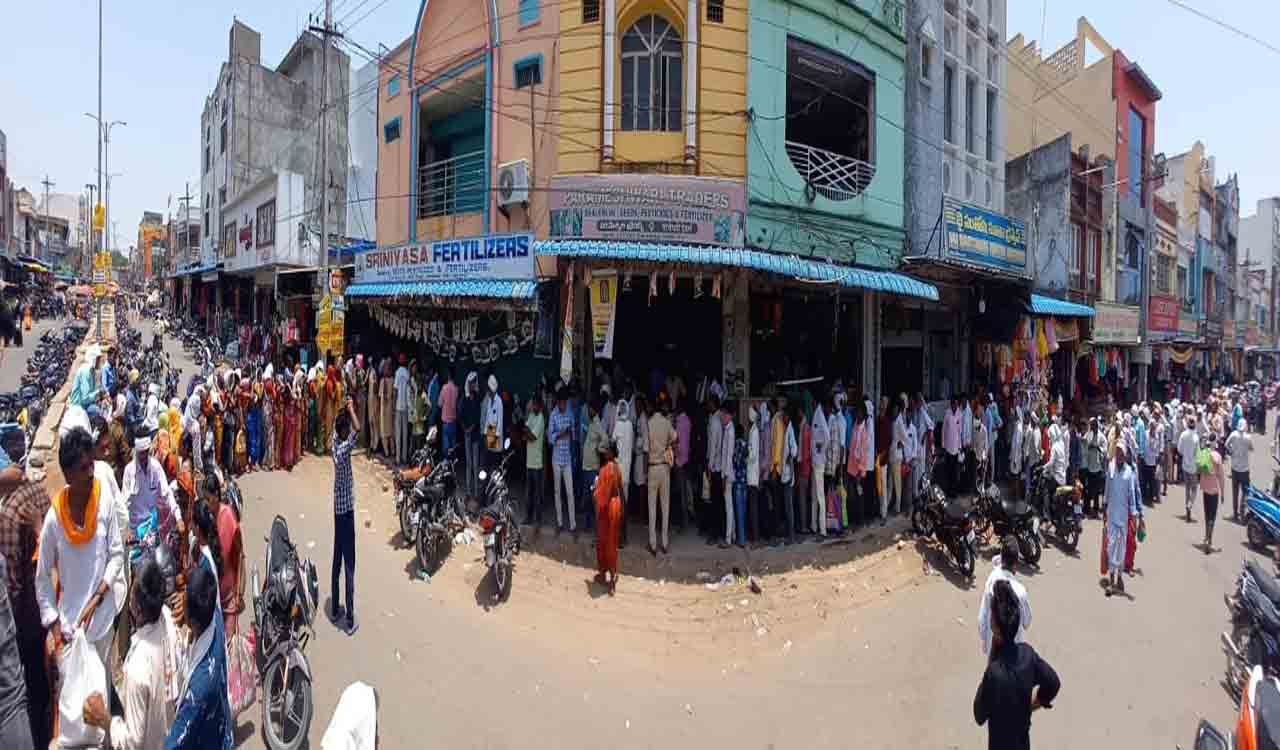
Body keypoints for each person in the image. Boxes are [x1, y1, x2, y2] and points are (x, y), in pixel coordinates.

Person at [35, 427, 126, 718]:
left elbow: (116, 554)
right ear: (67, 474)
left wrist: (98, 596)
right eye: (83, 468)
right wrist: (53, 626)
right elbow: (42, 578)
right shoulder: (54, 520)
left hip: (100, 625)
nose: (90, 473)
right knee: (76, 710)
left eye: (92, 465)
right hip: (70, 631)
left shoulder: (105, 501)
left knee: (100, 700)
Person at [81, 557, 178, 750]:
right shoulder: (168, 619)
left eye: (131, 590)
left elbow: (133, 743)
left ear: (136, 608)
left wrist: (105, 719)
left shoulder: (138, 669)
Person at [973, 579, 1060, 750]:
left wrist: (992, 655)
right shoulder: (1027, 654)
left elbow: (979, 714)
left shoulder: (994, 672)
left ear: (995, 628)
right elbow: (1053, 683)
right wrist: (1032, 705)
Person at [165, 563, 232, 750]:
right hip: (219, 726)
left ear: (192, 621)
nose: (181, 598)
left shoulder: (198, 690)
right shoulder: (215, 615)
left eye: (184, 597)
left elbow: (173, 744)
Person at [978, 536, 1032, 658]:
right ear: (1016, 562)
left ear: (1002, 557)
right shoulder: (1020, 591)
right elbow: (1027, 622)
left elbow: (982, 618)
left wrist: (986, 642)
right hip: (1012, 652)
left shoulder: (991, 580)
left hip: (993, 649)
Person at [1104, 442, 1142, 596]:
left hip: (1124, 516)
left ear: (1125, 455)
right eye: (1117, 452)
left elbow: (1132, 495)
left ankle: (1119, 576)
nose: (1119, 455)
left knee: (1121, 548)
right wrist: (1104, 506)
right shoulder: (1111, 469)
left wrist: (1135, 515)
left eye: (1121, 452)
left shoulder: (1129, 473)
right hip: (1112, 514)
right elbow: (1107, 489)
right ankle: (1111, 579)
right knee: (1111, 546)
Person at [593, 440, 624, 596]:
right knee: (608, 543)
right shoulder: (616, 467)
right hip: (615, 506)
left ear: (611, 452)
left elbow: (603, 494)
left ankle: (610, 579)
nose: (603, 453)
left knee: (607, 544)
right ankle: (606, 574)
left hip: (608, 508)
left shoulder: (608, 469)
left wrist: (595, 491)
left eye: (605, 451)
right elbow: (621, 490)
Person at [647, 393, 677, 554]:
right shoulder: (667, 423)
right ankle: (664, 543)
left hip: (652, 467)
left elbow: (645, 449)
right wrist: (668, 449)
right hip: (665, 468)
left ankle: (652, 543)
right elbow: (675, 438)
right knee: (665, 506)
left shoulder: (648, 424)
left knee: (652, 507)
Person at [549, 389, 577, 535]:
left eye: (565, 403)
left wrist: (570, 432)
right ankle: (559, 523)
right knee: (557, 492)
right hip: (556, 459)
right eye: (561, 403)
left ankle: (573, 525)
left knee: (570, 492)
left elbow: (573, 432)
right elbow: (550, 438)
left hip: (567, 459)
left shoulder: (570, 412)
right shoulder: (553, 415)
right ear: (557, 402)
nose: (564, 405)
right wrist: (560, 433)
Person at [1200, 437, 1226, 553]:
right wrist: (1223, 493)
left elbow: (1199, 470)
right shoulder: (1218, 457)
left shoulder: (1204, 454)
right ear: (1215, 443)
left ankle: (1207, 537)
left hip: (1205, 489)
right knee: (1212, 517)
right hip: (1214, 490)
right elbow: (1221, 477)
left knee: (1207, 515)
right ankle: (1208, 541)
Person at [524, 395, 546, 526]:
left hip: (537, 462)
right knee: (529, 493)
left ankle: (537, 520)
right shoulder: (532, 415)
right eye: (532, 405)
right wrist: (527, 432)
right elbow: (525, 431)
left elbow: (531, 436)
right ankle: (528, 517)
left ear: (540, 406)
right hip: (529, 461)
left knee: (537, 493)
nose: (533, 407)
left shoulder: (541, 418)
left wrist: (527, 432)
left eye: (535, 405)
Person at [1226, 419, 1254, 521]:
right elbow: (1251, 448)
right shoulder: (1248, 437)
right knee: (1245, 491)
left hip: (1234, 467)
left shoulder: (1234, 434)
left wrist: (1231, 452)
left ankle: (1235, 513)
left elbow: (1226, 444)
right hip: (1244, 469)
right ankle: (1242, 512)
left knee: (1235, 491)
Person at [461, 372, 482, 498]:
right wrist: (465, 429)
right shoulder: (465, 398)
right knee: (469, 464)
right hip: (467, 435)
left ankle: (476, 492)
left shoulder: (478, 398)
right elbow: (461, 416)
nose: (472, 385)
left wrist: (470, 428)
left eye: (473, 383)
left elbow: (478, 417)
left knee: (475, 465)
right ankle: (469, 492)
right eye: (470, 383)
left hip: (475, 435)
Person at [810, 397, 829, 536]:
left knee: (820, 496)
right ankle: (814, 525)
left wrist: (821, 448)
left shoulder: (820, 416)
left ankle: (823, 529)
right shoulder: (817, 414)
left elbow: (827, 437)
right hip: (815, 461)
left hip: (819, 461)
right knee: (814, 495)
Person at [1178, 416, 1202, 522]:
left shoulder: (1183, 435)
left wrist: (1185, 455)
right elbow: (1198, 454)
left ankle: (1187, 507)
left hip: (1185, 465)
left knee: (1187, 488)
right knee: (1194, 488)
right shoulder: (1196, 437)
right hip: (1193, 467)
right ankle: (1190, 504)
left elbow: (1179, 449)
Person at [721, 403, 738, 547]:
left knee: (729, 506)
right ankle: (732, 534)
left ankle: (728, 538)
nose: (722, 416)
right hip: (727, 472)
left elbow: (729, 456)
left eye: (724, 414)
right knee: (730, 505)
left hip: (728, 473)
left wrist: (725, 475)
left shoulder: (730, 431)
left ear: (729, 415)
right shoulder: (728, 429)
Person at [481, 375, 504, 473]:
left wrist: (494, 438)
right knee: (487, 463)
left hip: (495, 434)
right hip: (490, 432)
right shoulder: (490, 400)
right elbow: (487, 419)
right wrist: (486, 433)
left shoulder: (499, 402)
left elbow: (499, 423)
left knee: (493, 464)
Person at [393, 355, 411, 466]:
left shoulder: (398, 372)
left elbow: (395, 390)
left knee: (398, 433)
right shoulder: (407, 373)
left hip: (399, 407)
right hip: (406, 407)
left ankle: (398, 459)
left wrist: (394, 406)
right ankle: (404, 457)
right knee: (405, 433)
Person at [439, 369, 459, 455]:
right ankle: (452, 465)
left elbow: (439, 404)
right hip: (453, 422)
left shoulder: (444, 388)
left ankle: (446, 465)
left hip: (446, 422)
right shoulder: (456, 389)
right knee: (453, 447)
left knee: (446, 447)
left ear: (448, 376)